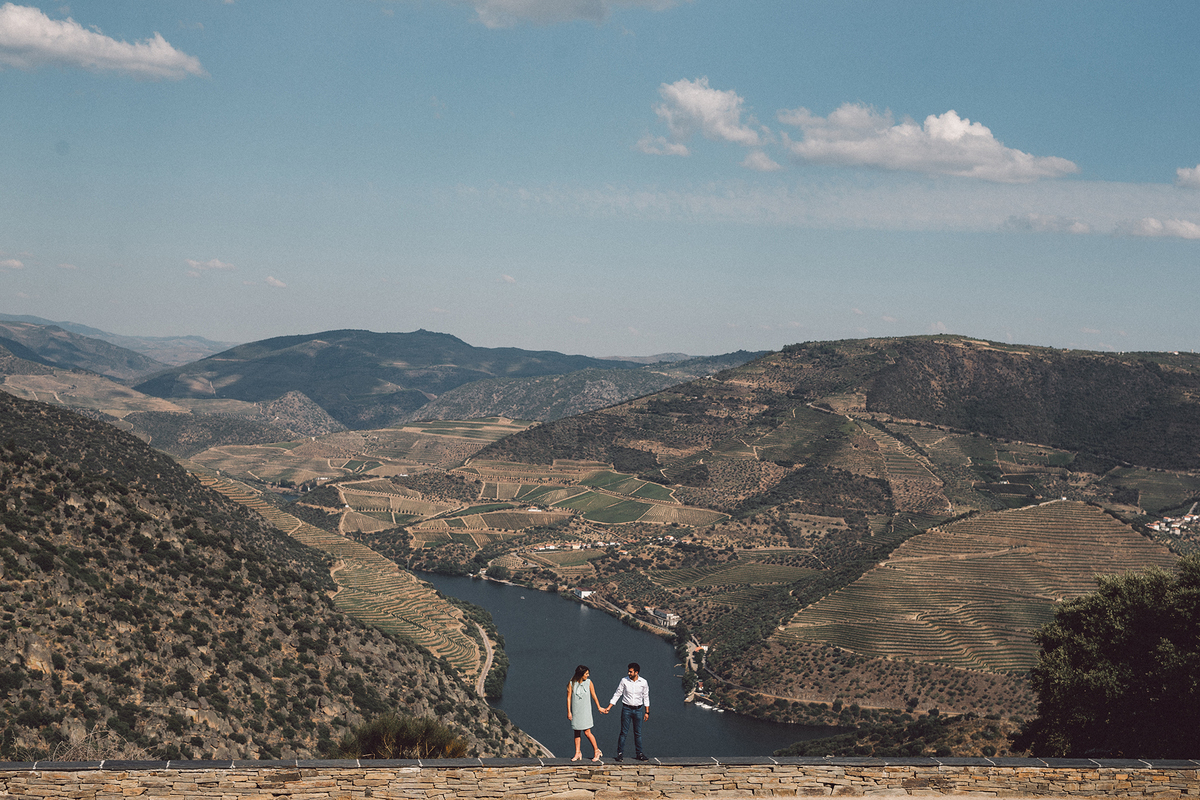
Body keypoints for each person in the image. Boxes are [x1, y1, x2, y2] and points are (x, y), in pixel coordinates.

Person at [602, 662, 649, 762]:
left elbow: (646, 696)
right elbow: (618, 693)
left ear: (636, 672)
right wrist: (609, 707)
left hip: (639, 710)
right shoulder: (624, 681)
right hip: (626, 709)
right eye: (628, 671)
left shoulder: (643, 682)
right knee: (623, 732)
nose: (628, 673)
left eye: (631, 672)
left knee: (638, 733)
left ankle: (639, 753)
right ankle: (620, 754)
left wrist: (647, 712)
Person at [567, 664, 605, 761]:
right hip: (576, 710)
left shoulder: (589, 682)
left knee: (587, 732)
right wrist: (569, 712)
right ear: (581, 674)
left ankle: (597, 751)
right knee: (576, 731)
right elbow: (569, 698)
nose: (588, 675)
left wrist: (599, 707)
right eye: (586, 673)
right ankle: (577, 753)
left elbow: (594, 695)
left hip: (585, 710)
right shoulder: (571, 683)